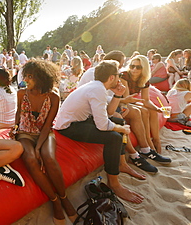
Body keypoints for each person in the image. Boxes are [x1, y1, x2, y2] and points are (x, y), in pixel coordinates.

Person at [54, 60, 144, 204]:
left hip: (78, 121)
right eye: (118, 75)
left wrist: (118, 95)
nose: (120, 78)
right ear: (111, 78)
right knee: (114, 137)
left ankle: (120, 163)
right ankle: (114, 183)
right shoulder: (98, 90)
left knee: (119, 122)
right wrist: (121, 129)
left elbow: (109, 112)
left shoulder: (97, 87)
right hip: (68, 126)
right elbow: (103, 125)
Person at [14, 60, 77, 223]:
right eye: (25, 76)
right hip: (25, 133)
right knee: (30, 159)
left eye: (30, 77)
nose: (25, 80)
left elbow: (48, 125)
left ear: (41, 78)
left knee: (48, 157)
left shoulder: (54, 97)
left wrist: (39, 148)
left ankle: (64, 198)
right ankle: (54, 200)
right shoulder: (21, 93)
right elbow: (18, 113)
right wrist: (14, 129)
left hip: (45, 133)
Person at [120, 55, 172, 160]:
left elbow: (146, 100)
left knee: (152, 111)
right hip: (120, 102)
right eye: (132, 66)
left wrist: (158, 109)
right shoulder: (124, 75)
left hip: (128, 102)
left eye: (138, 67)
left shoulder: (144, 79)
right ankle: (148, 143)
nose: (134, 69)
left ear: (144, 68)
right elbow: (126, 99)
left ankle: (156, 140)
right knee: (143, 111)